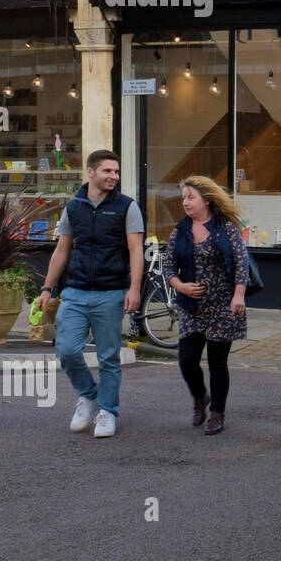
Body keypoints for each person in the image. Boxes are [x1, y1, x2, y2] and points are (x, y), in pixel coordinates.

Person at [38, 150, 144, 438]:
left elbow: (136, 251)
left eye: (116, 172)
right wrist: (47, 288)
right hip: (75, 291)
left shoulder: (127, 207)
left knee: (108, 356)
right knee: (67, 349)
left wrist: (134, 289)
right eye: (107, 171)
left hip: (111, 293)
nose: (113, 176)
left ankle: (108, 411)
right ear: (91, 172)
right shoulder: (74, 207)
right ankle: (88, 395)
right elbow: (62, 250)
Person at [164, 176, 249, 435]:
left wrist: (238, 295)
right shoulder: (180, 231)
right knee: (186, 361)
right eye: (183, 198)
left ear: (207, 200)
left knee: (217, 363)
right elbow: (167, 266)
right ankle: (200, 396)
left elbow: (241, 263)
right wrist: (180, 286)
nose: (185, 202)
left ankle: (217, 413)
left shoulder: (226, 228)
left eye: (191, 197)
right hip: (192, 307)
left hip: (224, 306)